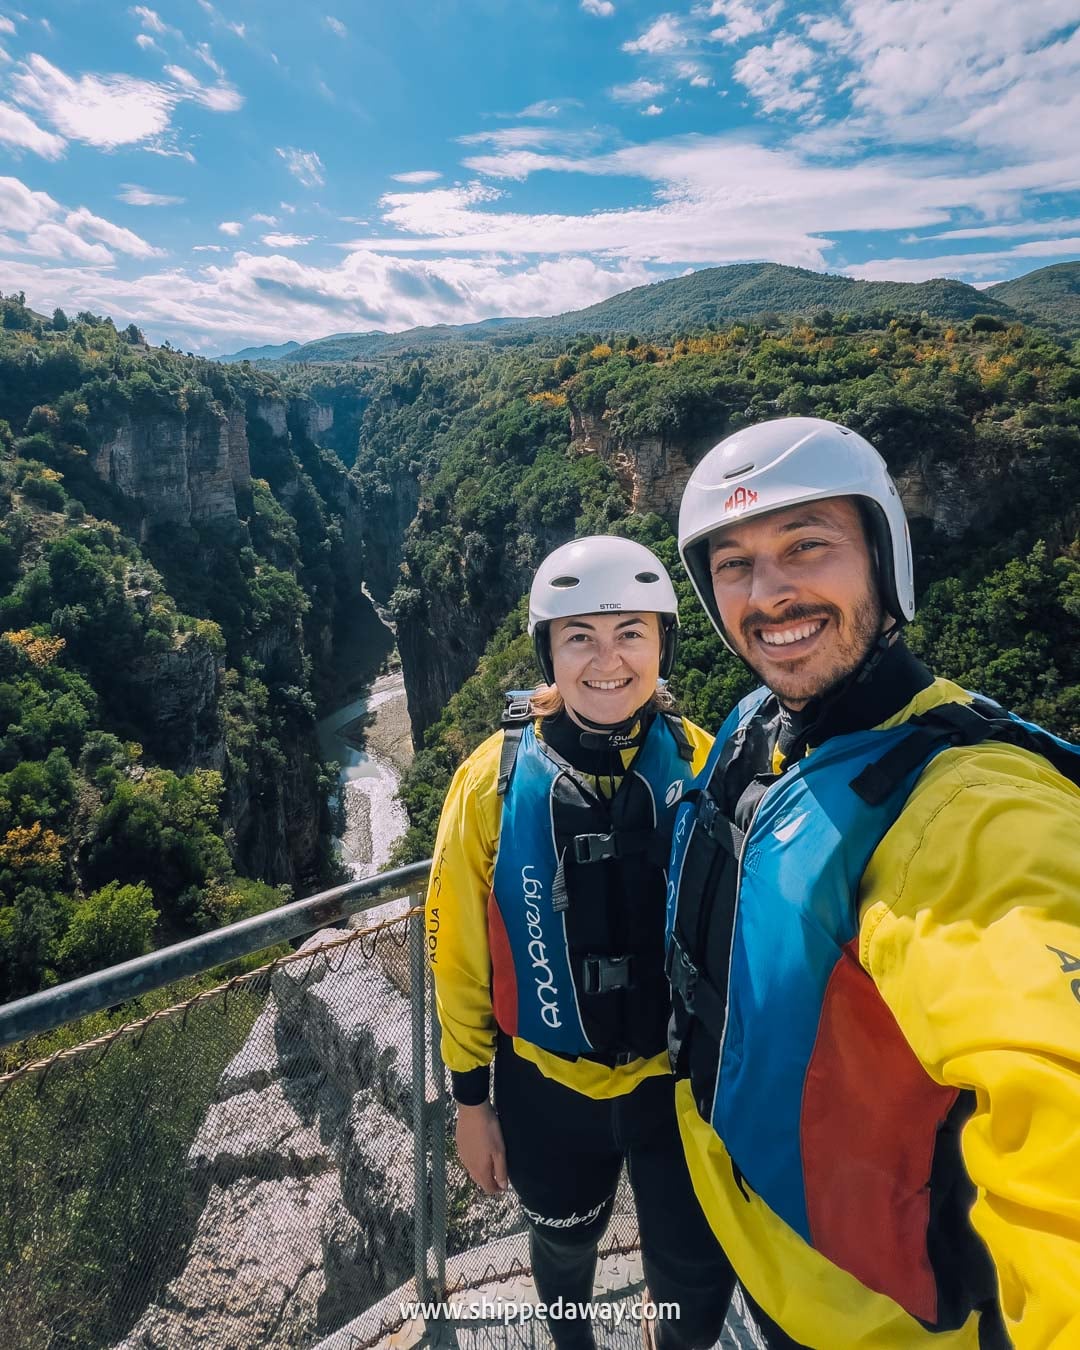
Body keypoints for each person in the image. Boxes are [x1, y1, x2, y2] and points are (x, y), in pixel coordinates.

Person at [665, 415, 1080, 1350]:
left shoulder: (973, 815)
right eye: (733, 565)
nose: (769, 595)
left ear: (884, 561)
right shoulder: (759, 726)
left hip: (863, 1324)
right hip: (751, 1252)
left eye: (807, 545)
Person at [425, 536, 737, 1350]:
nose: (607, 660)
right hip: (546, 1093)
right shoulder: (490, 784)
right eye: (580, 638)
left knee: (695, 1278)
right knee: (562, 1252)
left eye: (631, 633)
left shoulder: (705, 766)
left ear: (663, 644)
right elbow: (457, 956)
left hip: (678, 1091)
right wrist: (469, 1105)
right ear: (548, 654)